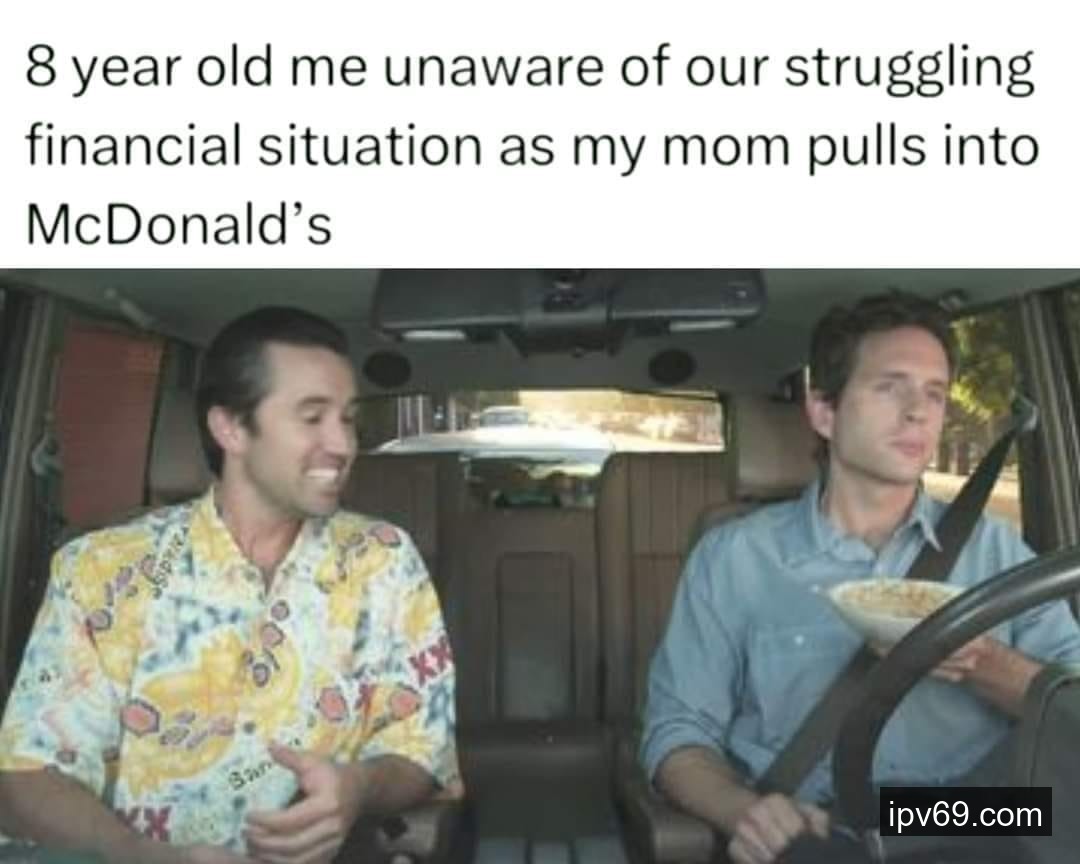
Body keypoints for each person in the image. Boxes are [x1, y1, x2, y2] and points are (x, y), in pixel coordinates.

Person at [0, 307, 459, 864]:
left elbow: (422, 749)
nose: (343, 444)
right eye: (312, 417)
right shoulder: (101, 570)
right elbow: (27, 774)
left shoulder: (384, 560)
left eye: (348, 419)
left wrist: (358, 787)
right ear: (231, 428)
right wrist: (140, 855)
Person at [639, 292, 1080, 864]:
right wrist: (742, 811)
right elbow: (676, 733)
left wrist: (982, 662)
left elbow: (1071, 707)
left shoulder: (996, 551)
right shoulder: (735, 559)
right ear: (824, 411)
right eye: (890, 387)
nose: (918, 412)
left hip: (972, 814)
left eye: (934, 393)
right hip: (820, 822)